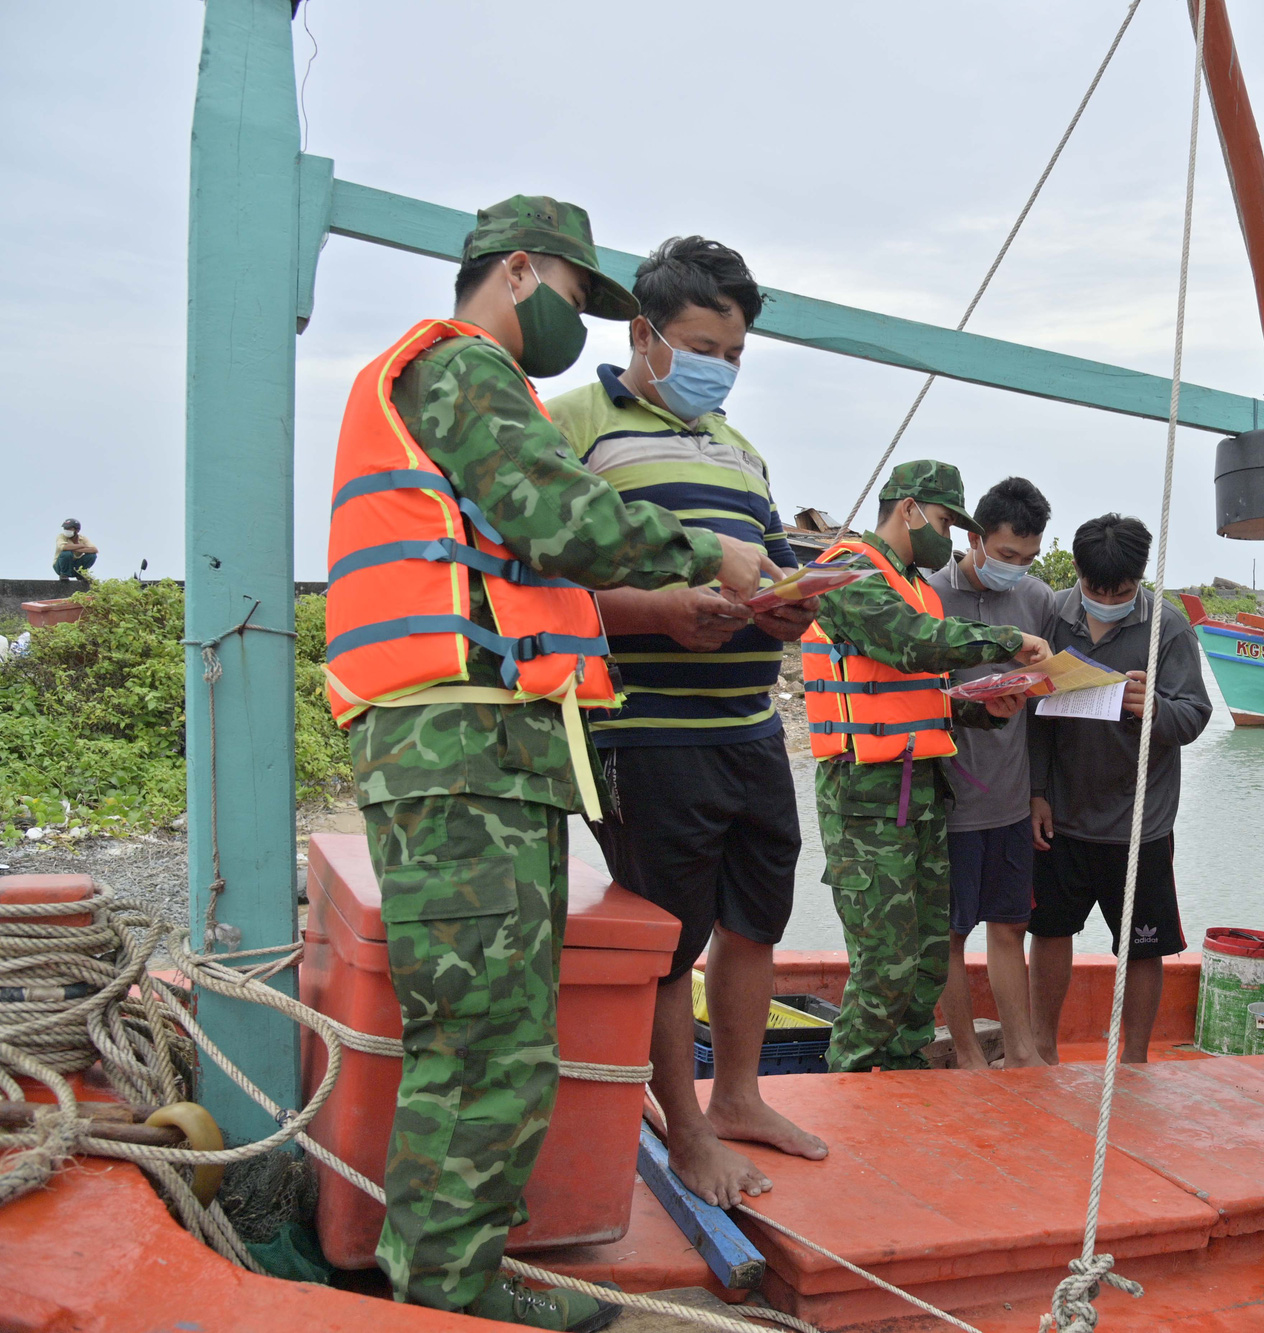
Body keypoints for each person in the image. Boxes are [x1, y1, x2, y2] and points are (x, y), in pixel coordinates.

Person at [323, 195, 776, 1330]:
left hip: (489, 747)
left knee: (494, 1040)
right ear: (518, 272)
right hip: (459, 747)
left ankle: (450, 1277)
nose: (579, 324)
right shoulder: (466, 369)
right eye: (578, 300)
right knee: (483, 1047)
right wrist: (705, 554)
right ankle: (449, 1297)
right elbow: (555, 515)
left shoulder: (462, 382)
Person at [545, 235, 825, 1212]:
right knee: (668, 939)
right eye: (704, 346)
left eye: (737, 355)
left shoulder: (740, 452)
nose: (721, 369)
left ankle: (740, 1095)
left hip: (749, 723)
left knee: (754, 919)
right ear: (643, 333)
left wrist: (795, 604)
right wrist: (658, 609)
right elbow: (542, 580)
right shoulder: (571, 421)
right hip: (644, 725)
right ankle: (686, 1123)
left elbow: (777, 563)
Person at [805, 461, 1051, 1072]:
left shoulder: (910, 581)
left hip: (922, 797)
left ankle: (903, 1085)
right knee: (882, 971)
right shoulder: (847, 571)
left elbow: (920, 693)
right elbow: (912, 641)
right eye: (944, 521)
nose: (945, 536)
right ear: (910, 509)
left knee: (922, 967)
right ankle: (853, 1092)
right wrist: (1006, 642)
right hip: (867, 801)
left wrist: (986, 710)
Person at [1027, 514, 1210, 1064]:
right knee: (1050, 930)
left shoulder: (1169, 628)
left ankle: (1133, 1060)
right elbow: (1033, 717)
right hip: (1061, 812)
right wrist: (1036, 792)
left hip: (1140, 820)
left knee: (1143, 946)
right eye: (1095, 589)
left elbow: (1195, 714)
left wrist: (1153, 708)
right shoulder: (1051, 617)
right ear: (1077, 575)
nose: (1107, 599)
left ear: (1139, 580)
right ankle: (1042, 1048)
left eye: (1122, 591)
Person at [927, 477, 1059, 1070]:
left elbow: (1048, 692)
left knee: (1010, 926)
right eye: (1008, 556)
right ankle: (966, 1054)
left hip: (1010, 797)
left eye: (1029, 559)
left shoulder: (1037, 600)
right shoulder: (929, 596)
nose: (1018, 569)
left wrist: (1037, 792)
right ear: (975, 538)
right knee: (951, 934)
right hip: (949, 797)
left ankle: (1024, 1052)